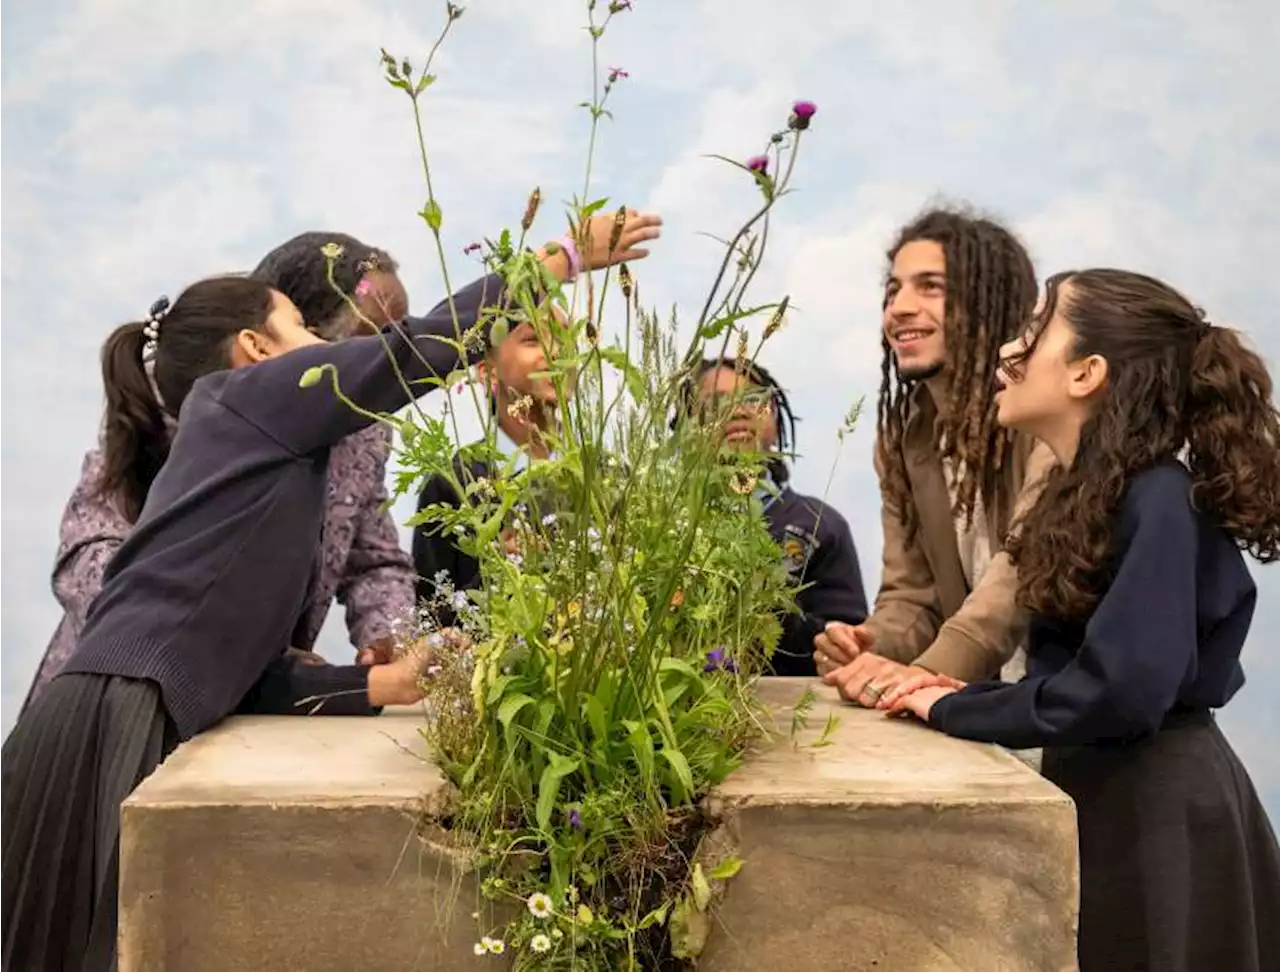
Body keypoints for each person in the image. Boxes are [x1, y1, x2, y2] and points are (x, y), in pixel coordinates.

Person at [0, 209, 662, 971]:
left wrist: (383, 679)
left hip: (130, 717)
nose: (338, 352)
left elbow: (248, 672)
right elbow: (411, 355)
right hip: (116, 720)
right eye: (310, 332)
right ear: (258, 349)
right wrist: (561, 259)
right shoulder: (247, 398)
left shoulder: (272, 459)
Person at [880, 268, 1280, 972]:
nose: (1010, 351)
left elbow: (1120, 689)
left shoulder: (1159, 497)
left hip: (1159, 812)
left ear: (1087, 373)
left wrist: (953, 704)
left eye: (1034, 334)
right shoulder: (1090, 493)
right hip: (1115, 795)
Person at [22, 232, 415, 710]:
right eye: (372, 341)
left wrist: (388, 635)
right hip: (119, 703)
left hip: (256, 707)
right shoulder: (178, 395)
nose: (388, 359)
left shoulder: (365, 429)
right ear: (284, 340)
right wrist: (225, 642)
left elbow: (373, 560)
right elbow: (88, 557)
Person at [815, 208, 1055, 707]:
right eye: (893, 291)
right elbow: (913, 596)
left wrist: (923, 674)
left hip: (1068, 714)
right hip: (983, 708)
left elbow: (1023, 570)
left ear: (989, 303)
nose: (899, 308)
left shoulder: (1046, 419)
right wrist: (868, 646)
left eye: (930, 287)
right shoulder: (907, 439)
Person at [681, 357, 867, 675]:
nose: (738, 411)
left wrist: (766, 605)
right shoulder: (663, 523)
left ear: (776, 418)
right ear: (686, 426)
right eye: (716, 404)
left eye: (754, 400)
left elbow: (849, 646)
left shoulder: (821, 526)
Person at [412, 305, 568, 619]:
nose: (555, 354)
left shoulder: (607, 475)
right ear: (487, 371)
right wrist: (502, 568)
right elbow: (434, 620)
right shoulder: (454, 482)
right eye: (533, 339)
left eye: (565, 341)